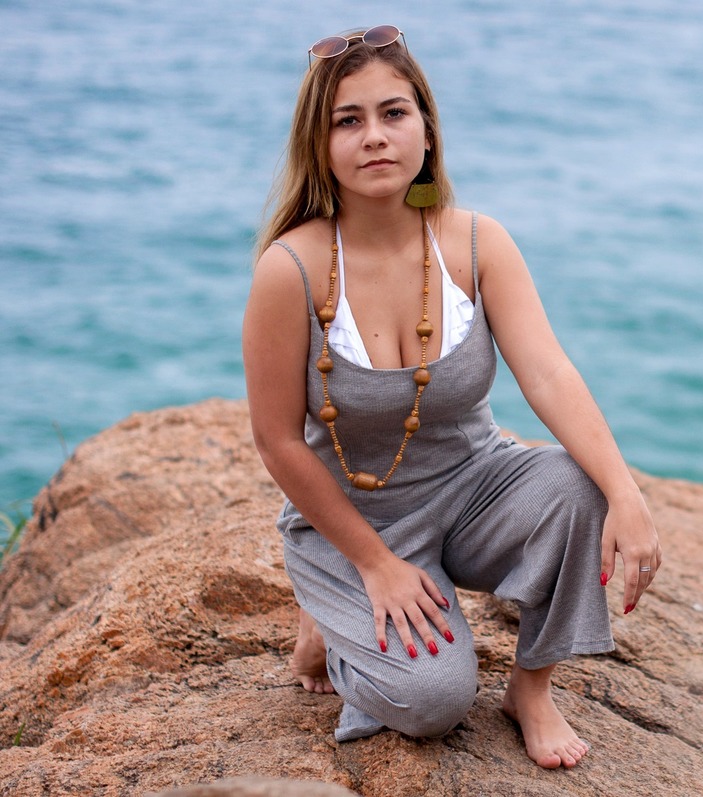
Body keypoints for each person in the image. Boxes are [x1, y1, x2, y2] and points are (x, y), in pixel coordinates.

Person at [241, 25, 661, 770]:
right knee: (432, 701)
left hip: (474, 489)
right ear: (319, 143)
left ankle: (531, 689)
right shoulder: (290, 270)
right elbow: (276, 440)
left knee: (580, 483)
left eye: (394, 113)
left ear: (427, 129)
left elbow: (548, 373)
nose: (376, 137)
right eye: (348, 120)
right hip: (357, 518)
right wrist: (374, 564)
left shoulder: (476, 242)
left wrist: (625, 491)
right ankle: (331, 619)